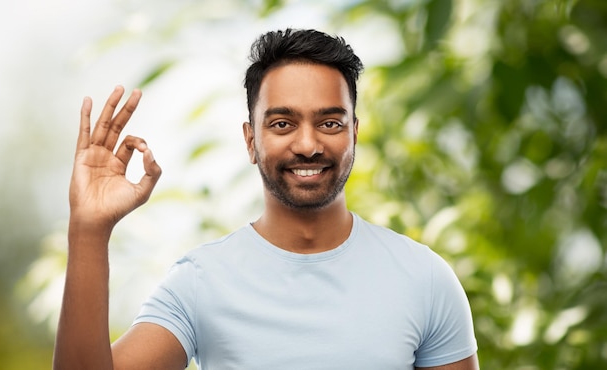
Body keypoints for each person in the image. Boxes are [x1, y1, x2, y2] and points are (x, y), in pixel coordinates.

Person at [53, 28, 479, 370]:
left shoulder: (424, 279)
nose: (308, 144)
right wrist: (89, 230)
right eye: (282, 123)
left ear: (355, 133)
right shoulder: (201, 282)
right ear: (250, 139)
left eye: (330, 122)